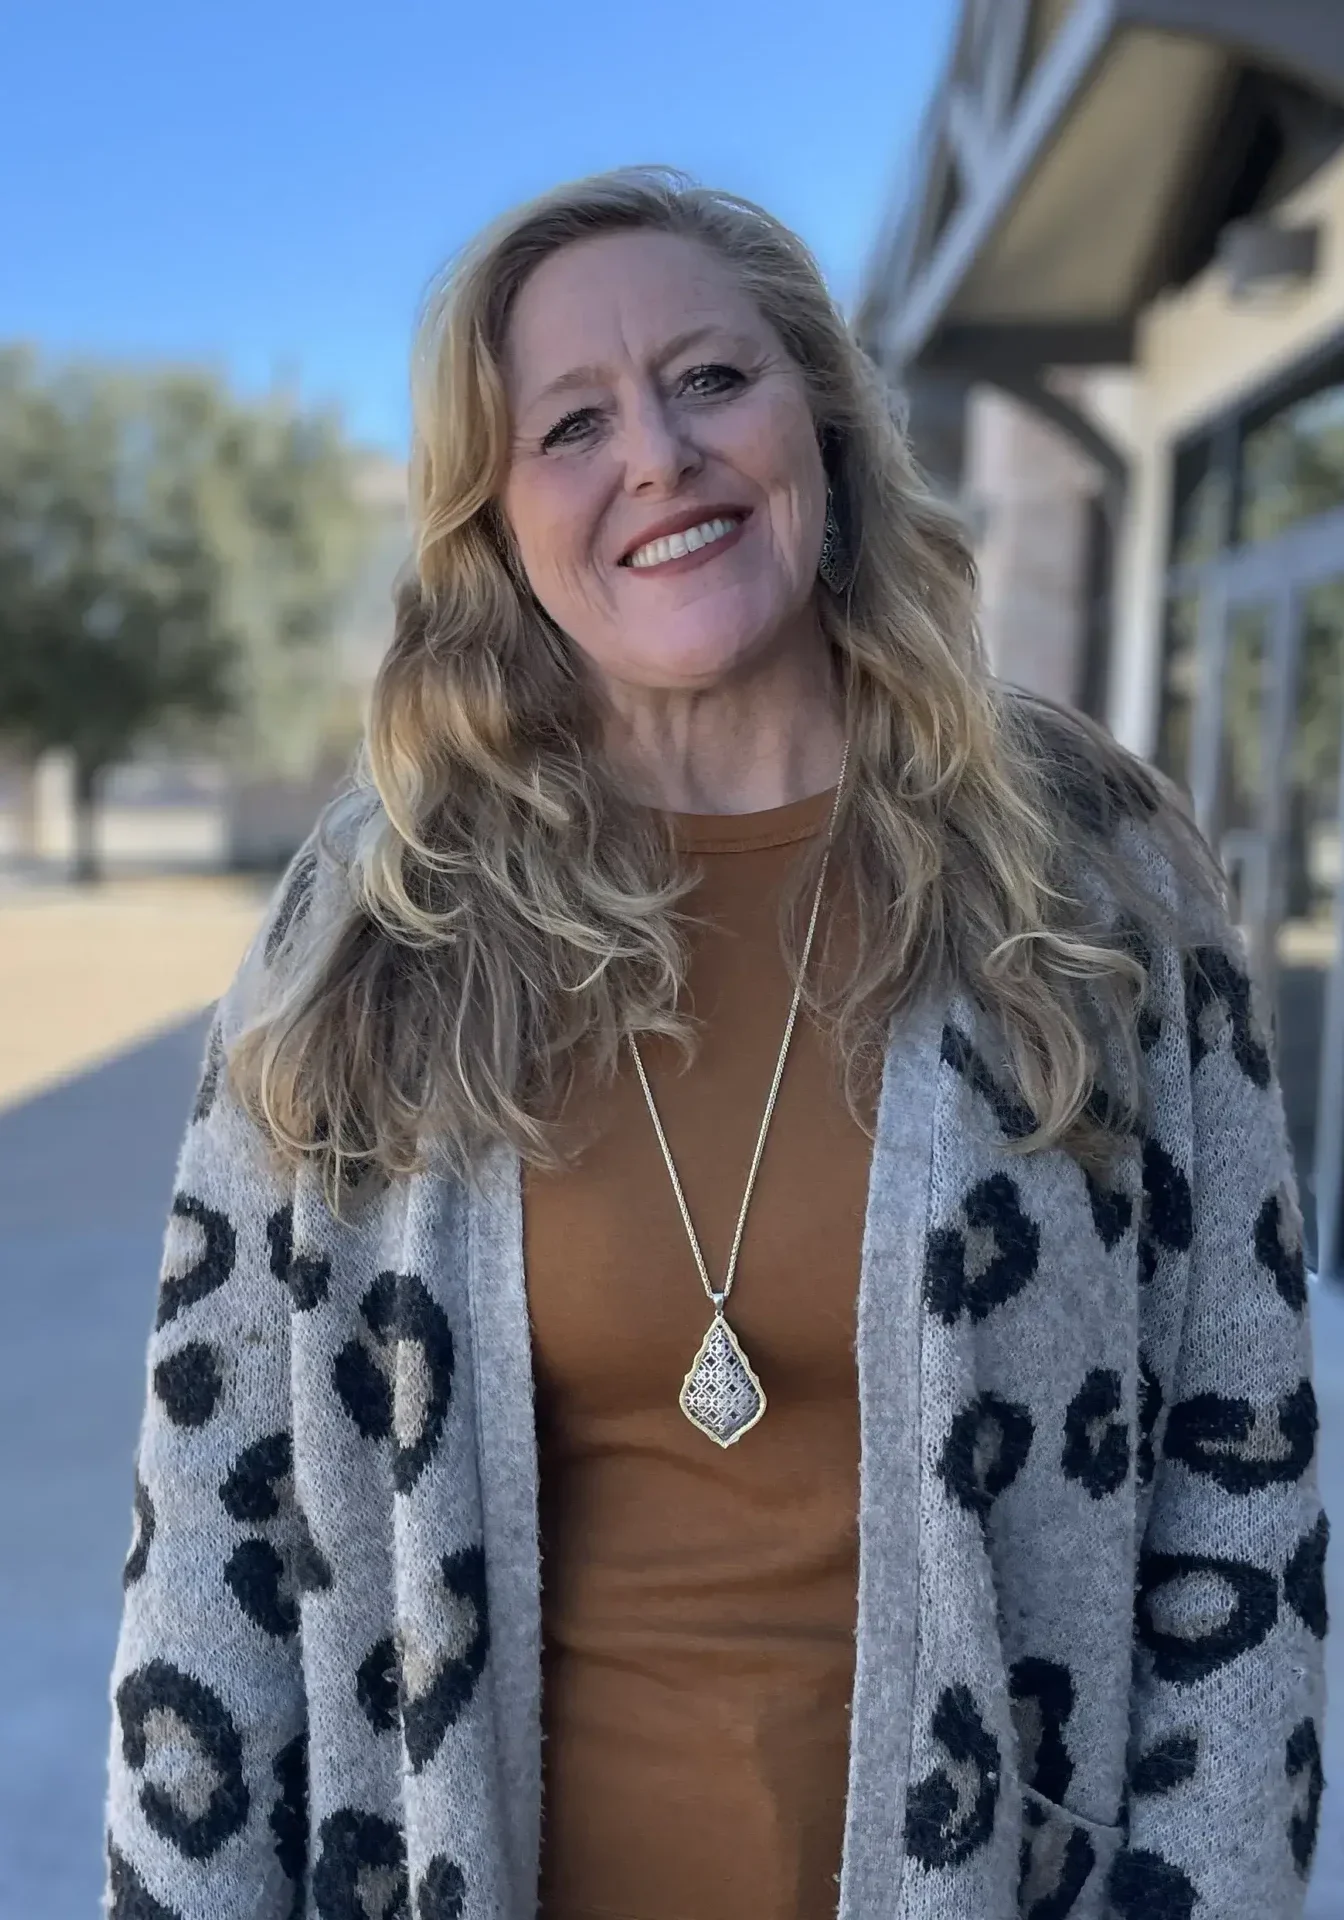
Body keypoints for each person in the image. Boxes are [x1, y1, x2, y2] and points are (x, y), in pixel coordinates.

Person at [105, 167, 1328, 1920]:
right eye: (571, 425)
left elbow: (1244, 1475)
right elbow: (213, 1542)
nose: (657, 458)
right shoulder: (380, 919)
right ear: (497, 522)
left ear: (819, 421)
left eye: (710, 379)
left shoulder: (1085, 859)